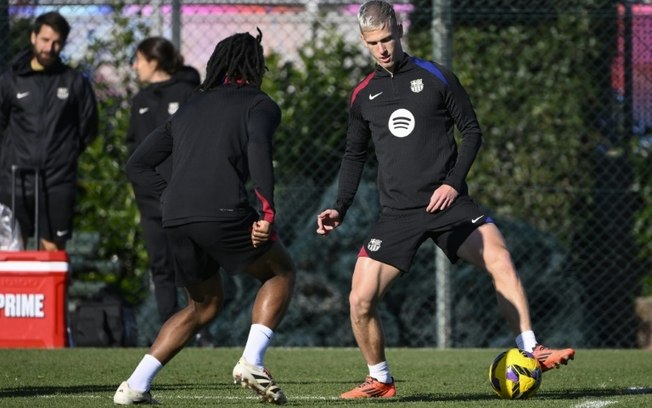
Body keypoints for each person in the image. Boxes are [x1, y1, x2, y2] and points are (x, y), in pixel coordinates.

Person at [316, 0, 575, 399]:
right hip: (398, 213)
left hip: (448, 205)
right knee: (359, 300)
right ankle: (380, 380)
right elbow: (353, 155)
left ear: (399, 30)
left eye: (387, 38)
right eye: (373, 43)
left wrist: (453, 183)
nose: (382, 48)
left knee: (499, 257)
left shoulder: (436, 76)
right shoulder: (363, 96)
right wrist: (340, 206)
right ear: (365, 43)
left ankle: (531, 348)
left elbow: (471, 131)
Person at [114, 29, 295, 405]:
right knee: (280, 273)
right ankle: (252, 361)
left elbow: (137, 165)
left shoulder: (191, 106)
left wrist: (175, 199)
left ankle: (134, 386)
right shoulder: (260, 105)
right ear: (256, 66)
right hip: (224, 211)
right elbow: (259, 149)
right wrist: (267, 212)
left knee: (204, 305)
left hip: (176, 218)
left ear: (217, 64)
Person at [128, 36, 213, 346]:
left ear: (154, 61)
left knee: (190, 263)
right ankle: (169, 330)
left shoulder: (188, 92)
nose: (135, 66)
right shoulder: (139, 101)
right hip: (149, 200)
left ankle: (201, 327)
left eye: (138, 59)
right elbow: (133, 148)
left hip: (183, 197)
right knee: (160, 265)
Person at [0, 11, 98, 251]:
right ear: (33, 37)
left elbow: (88, 127)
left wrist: (65, 155)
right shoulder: (10, 81)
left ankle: (53, 290)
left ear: (63, 44)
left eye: (56, 42)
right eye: (45, 40)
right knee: (12, 249)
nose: (49, 47)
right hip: (15, 179)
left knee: (52, 249)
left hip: (57, 180)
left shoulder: (74, 82)